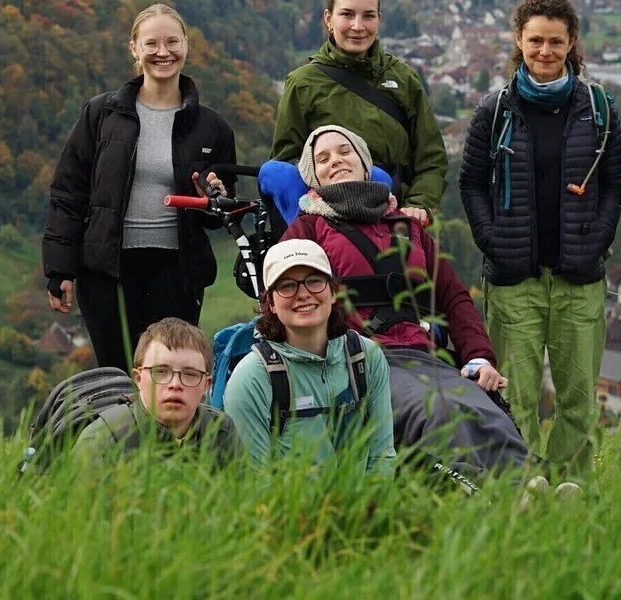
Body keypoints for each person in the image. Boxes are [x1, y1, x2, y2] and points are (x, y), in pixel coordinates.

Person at [277, 126, 533, 476]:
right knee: (437, 410)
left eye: (345, 151)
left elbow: (454, 298)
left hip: (424, 356)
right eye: (323, 159)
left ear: (364, 163)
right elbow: (287, 297)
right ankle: (488, 488)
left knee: (483, 407)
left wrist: (478, 357)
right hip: (361, 361)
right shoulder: (308, 231)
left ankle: (532, 485)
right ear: (314, 177)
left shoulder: (408, 228)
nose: (336, 160)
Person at [457, 0, 621, 477]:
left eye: (555, 41)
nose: (545, 50)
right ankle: (523, 492)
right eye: (535, 40)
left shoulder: (599, 109)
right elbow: (471, 183)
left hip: (578, 279)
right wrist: (492, 240)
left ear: (571, 43)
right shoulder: (494, 110)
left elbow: (615, 184)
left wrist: (597, 239)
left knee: (579, 401)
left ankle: (572, 492)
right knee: (514, 398)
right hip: (515, 281)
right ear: (519, 41)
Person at [43, 4, 238, 371]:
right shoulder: (100, 115)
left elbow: (218, 215)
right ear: (134, 48)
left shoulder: (212, 128)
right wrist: (59, 270)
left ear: (186, 45)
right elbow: (68, 194)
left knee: (167, 372)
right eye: (151, 43)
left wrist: (214, 200)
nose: (163, 52)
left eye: (172, 42)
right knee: (117, 375)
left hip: (177, 270)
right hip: (107, 269)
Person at [220, 240, 395, 475]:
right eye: (287, 286)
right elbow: (256, 480)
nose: (303, 294)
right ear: (271, 303)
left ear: (333, 292)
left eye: (314, 281)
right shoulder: (251, 378)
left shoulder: (367, 357)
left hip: (363, 498)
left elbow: (382, 457)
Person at [271, 0, 445, 212]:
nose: (358, 26)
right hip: (330, 220)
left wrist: (419, 204)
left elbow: (431, 157)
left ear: (379, 19)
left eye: (368, 16)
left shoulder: (404, 79)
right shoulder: (303, 84)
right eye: (347, 14)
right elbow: (287, 164)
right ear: (329, 19)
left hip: (398, 217)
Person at [69, 318, 241, 468]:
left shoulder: (221, 432)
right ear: (138, 378)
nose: (175, 384)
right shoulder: (102, 439)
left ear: (206, 385)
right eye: (161, 372)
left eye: (190, 374)